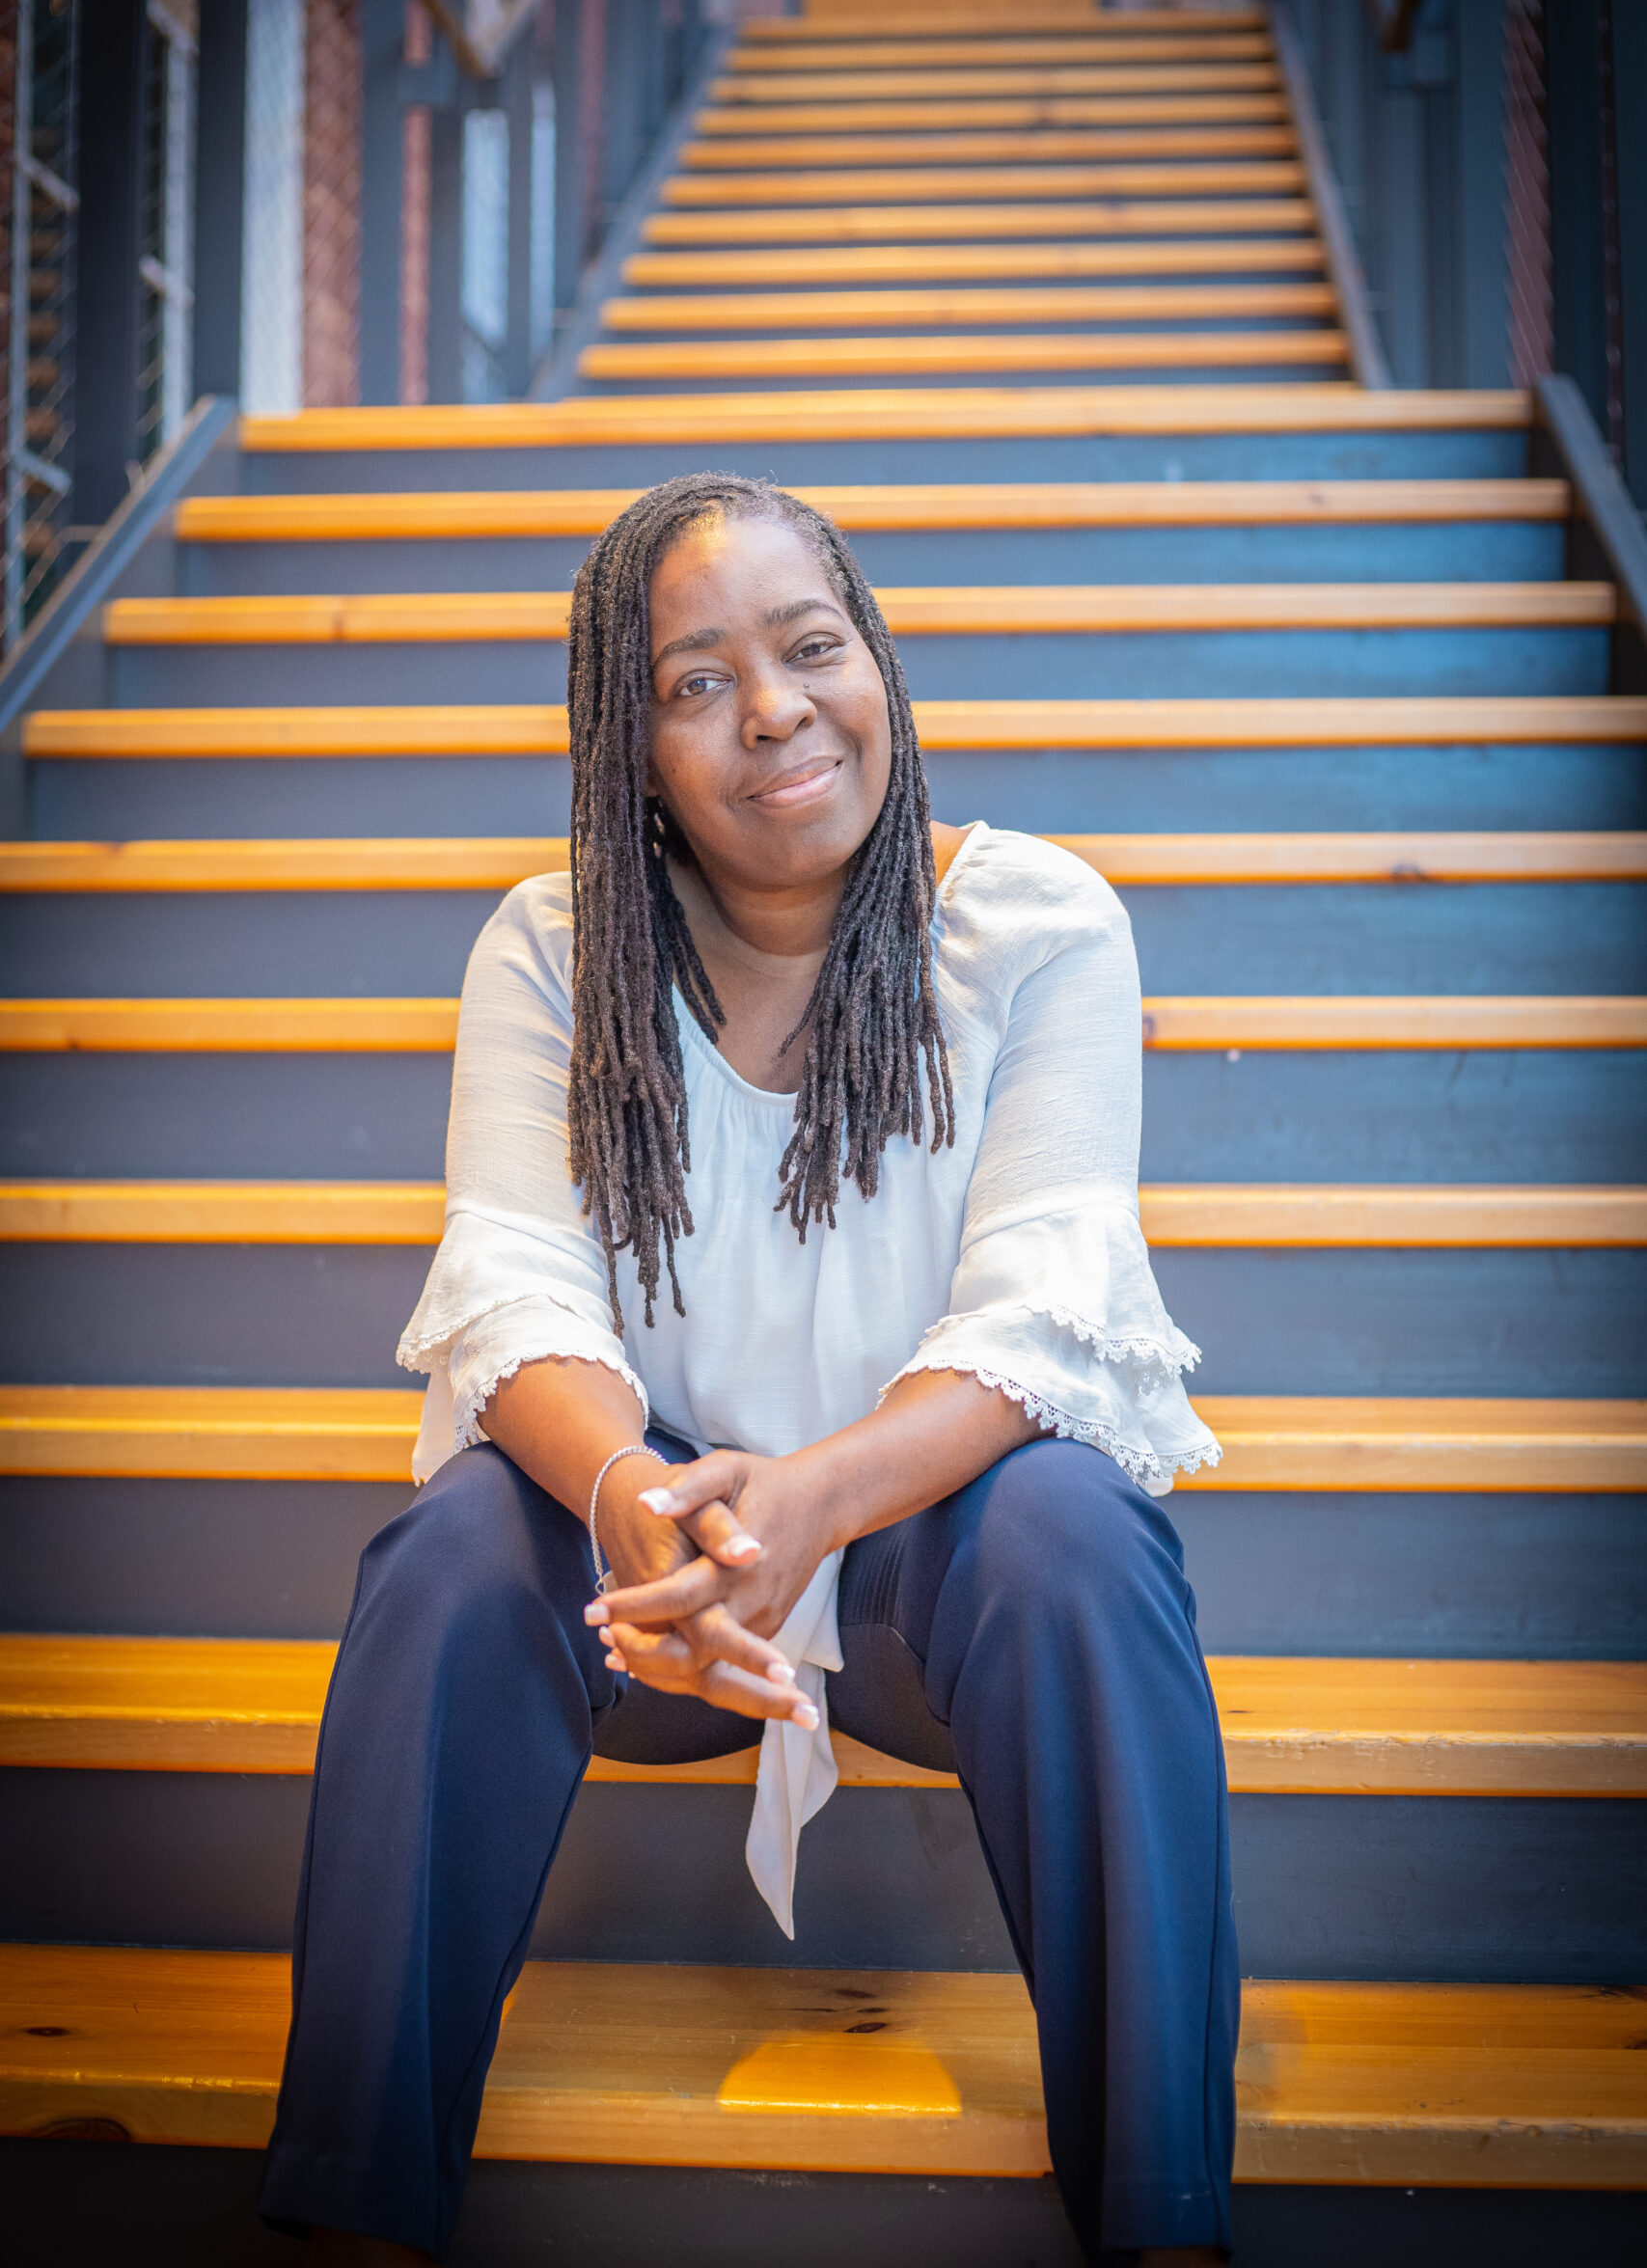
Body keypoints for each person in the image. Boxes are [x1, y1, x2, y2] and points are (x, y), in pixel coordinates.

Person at [260, 475, 1238, 2265]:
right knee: (462, 1552)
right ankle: (349, 2204)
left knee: (1079, 1536)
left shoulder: (1037, 927)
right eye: (695, 682)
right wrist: (643, 1502)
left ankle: (1163, 2208)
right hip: (662, 1606)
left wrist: (807, 1510)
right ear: (628, 749)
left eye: (809, 648)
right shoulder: (552, 950)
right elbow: (512, 1296)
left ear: (881, 667)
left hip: (927, 1592)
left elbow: (1043, 1317)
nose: (774, 708)